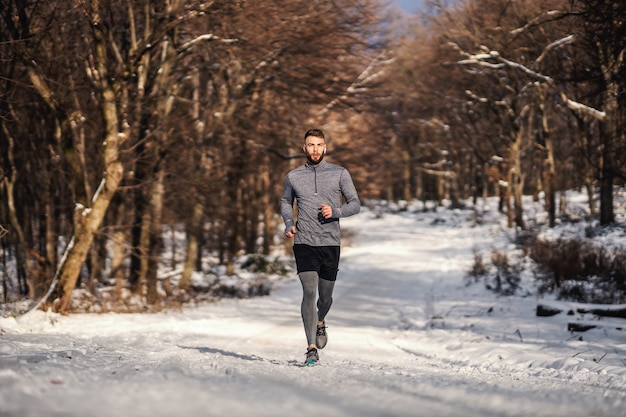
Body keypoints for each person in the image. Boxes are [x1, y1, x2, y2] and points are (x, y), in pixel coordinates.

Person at [280, 128, 361, 366]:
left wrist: (335, 212)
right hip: (304, 241)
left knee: (325, 298)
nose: (315, 149)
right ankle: (311, 348)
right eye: (311, 145)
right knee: (309, 291)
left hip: (330, 243)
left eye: (319, 145)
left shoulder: (339, 173)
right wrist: (288, 222)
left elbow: (356, 204)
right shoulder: (293, 176)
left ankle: (320, 321)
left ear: (325, 147)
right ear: (304, 148)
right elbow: (286, 201)